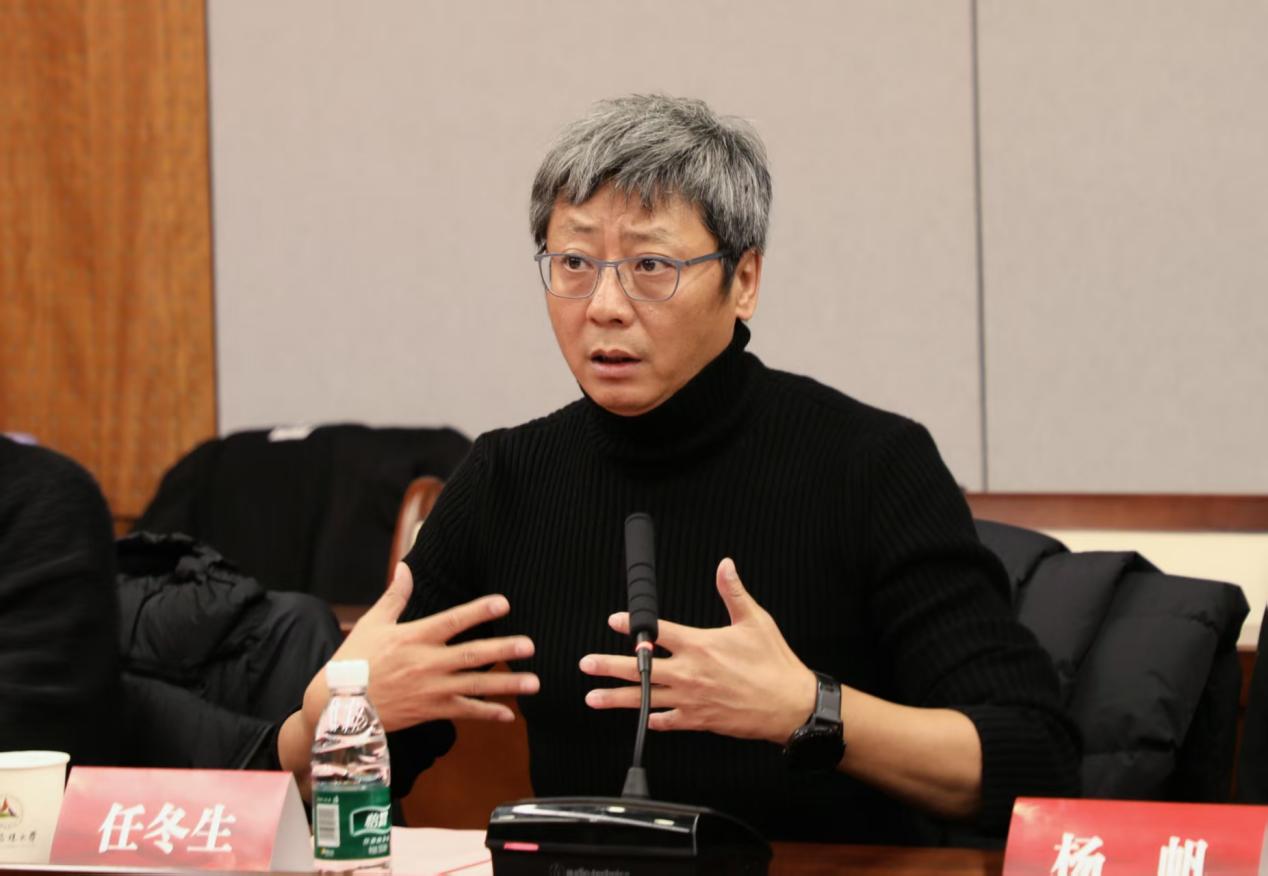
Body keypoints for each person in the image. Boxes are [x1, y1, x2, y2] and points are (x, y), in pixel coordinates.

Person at [276, 94, 1080, 843]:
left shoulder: (871, 466)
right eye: (574, 262)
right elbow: (327, 787)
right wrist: (325, 716)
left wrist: (809, 709)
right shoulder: (506, 480)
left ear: (744, 280)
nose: (604, 306)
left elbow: (1034, 759)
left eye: (650, 266)